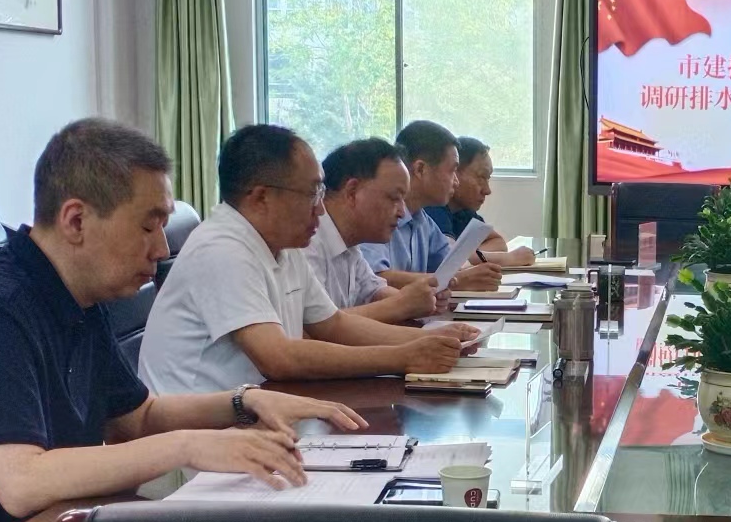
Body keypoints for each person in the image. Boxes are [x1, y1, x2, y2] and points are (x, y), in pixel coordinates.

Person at [0, 119, 368, 522]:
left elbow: (137, 418)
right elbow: (20, 481)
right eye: (148, 226)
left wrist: (245, 400)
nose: (162, 249)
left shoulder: (81, 298)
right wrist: (187, 445)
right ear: (76, 221)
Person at [139, 124, 475, 395]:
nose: (321, 207)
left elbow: (333, 324)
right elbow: (278, 357)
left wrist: (435, 339)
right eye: (312, 193)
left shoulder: (285, 245)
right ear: (261, 197)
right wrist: (403, 357)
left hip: (257, 413)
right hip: (198, 436)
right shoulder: (221, 249)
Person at [307, 137, 455, 324]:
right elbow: (317, 327)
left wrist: (423, 300)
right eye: (394, 198)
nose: (402, 212)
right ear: (352, 192)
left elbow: (375, 291)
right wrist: (403, 304)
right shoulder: (308, 243)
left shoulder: (350, 245)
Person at [360, 120, 502, 291]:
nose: (456, 182)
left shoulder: (423, 221)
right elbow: (375, 279)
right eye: (452, 171)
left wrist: (471, 275)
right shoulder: (377, 215)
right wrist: (457, 280)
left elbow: (454, 266)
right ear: (420, 169)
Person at [424, 135, 534, 267]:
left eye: (488, 179)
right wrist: (510, 258)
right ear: (455, 172)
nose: (487, 190)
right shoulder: (433, 206)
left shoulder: (463, 211)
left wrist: (469, 255)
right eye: (481, 177)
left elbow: (498, 242)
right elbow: (449, 257)